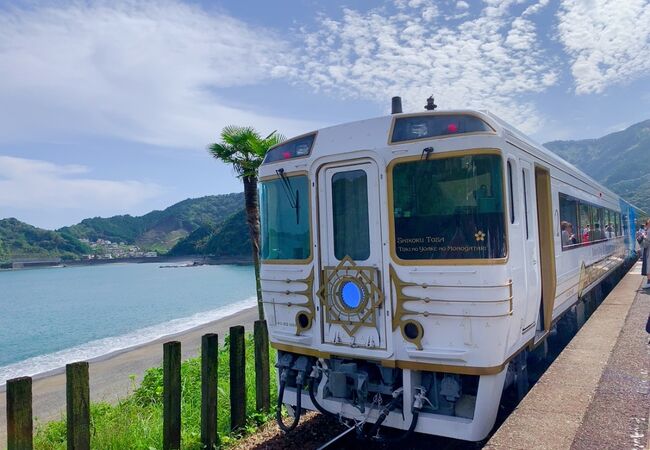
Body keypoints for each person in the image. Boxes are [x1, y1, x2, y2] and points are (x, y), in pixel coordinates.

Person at [641, 219, 650, 289]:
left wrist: (643, 236)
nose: (645, 226)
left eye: (646, 224)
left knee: (648, 267)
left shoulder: (649, 231)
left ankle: (649, 282)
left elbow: (646, 243)